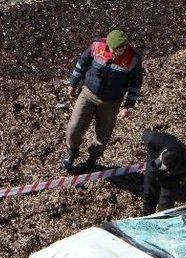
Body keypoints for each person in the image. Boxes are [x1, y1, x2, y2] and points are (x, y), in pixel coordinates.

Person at [61, 29, 144, 171]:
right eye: (115, 49)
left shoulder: (133, 59)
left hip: (111, 102)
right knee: (73, 129)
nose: (118, 53)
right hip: (88, 94)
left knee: (103, 136)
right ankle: (73, 151)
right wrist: (73, 83)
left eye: (122, 49)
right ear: (108, 45)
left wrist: (128, 106)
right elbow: (82, 63)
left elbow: (136, 84)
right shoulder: (96, 47)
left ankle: (92, 159)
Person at [141, 130, 186, 215]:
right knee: (149, 194)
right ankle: (146, 215)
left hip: (172, 177)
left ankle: (163, 221)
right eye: (164, 168)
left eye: (168, 169)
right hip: (153, 166)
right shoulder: (153, 139)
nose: (165, 170)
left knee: (166, 204)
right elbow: (145, 133)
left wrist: (182, 179)